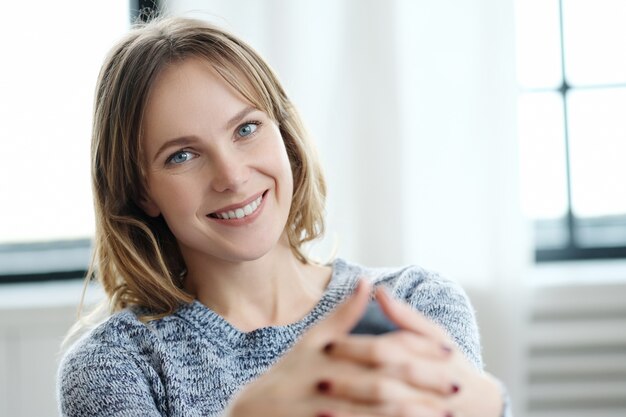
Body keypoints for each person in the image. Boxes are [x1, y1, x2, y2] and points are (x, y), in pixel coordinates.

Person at [57, 16, 511, 417]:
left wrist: (491, 408)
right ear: (141, 191)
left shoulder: (416, 303)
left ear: (285, 138)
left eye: (247, 129)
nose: (232, 176)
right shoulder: (114, 366)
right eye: (183, 155)